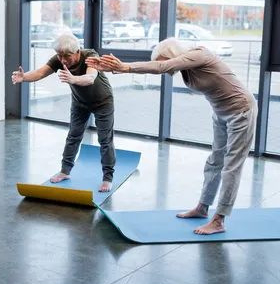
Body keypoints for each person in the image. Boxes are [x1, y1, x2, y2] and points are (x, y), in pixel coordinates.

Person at [86, 38, 257, 235]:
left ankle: (219, 220)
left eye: (163, 59)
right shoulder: (186, 68)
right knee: (214, 162)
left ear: (172, 53)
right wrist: (116, 68)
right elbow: (162, 65)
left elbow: (162, 66)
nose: (166, 68)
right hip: (221, 113)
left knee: (231, 166)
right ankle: (202, 208)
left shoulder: (200, 54)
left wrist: (125, 67)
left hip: (242, 110)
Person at [12, 34, 116, 192]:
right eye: (60, 56)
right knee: (73, 136)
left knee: (105, 140)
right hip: (80, 102)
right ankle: (65, 171)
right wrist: (24, 77)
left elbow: (90, 78)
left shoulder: (90, 56)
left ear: (77, 52)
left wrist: (73, 79)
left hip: (103, 102)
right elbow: (40, 73)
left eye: (66, 56)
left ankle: (107, 178)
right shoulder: (58, 59)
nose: (63, 60)